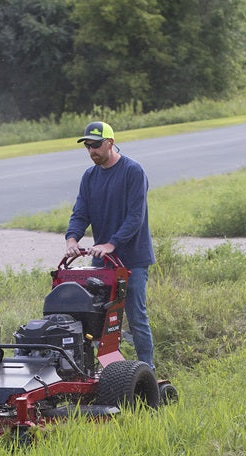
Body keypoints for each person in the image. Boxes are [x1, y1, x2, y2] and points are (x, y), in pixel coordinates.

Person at [64, 121, 156, 370]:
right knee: (98, 321)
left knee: (136, 318)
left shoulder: (132, 171)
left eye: (95, 145)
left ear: (110, 143)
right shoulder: (90, 176)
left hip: (133, 259)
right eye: (87, 146)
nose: (91, 151)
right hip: (103, 262)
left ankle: (146, 370)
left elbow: (135, 217)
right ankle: (106, 370)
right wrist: (72, 238)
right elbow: (80, 212)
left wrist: (111, 243)